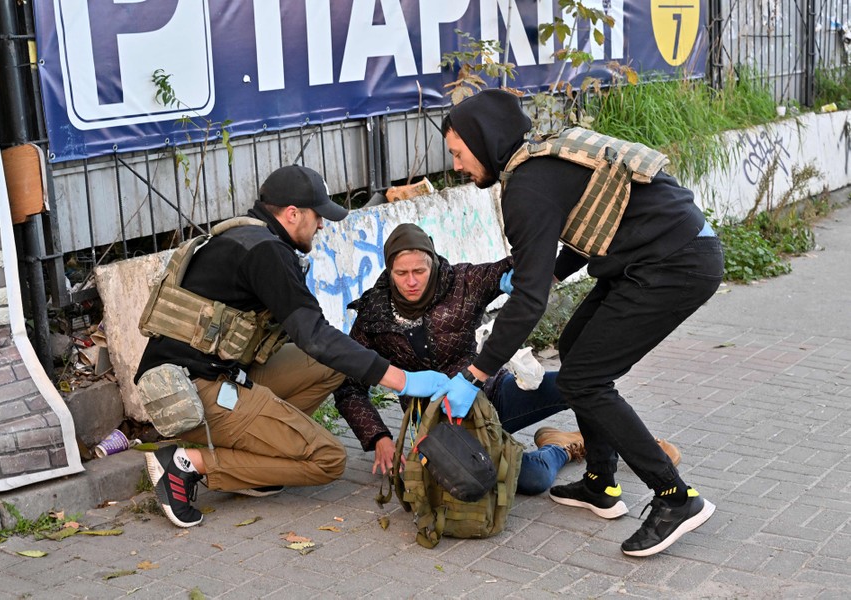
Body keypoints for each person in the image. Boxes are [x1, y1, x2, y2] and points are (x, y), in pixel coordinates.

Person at [439, 89, 723, 557]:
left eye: (457, 152)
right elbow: (599, 219)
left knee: (585, 380)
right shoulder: (542, 162)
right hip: (657, 254)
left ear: (483, 140)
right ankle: (600, 483)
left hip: (674, 263)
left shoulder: (526, 188)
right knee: (574, 352)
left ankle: (675, 498)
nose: (455, 165)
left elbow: (529, 302)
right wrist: (548, 271)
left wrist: (476, 374)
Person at [134, 165, 450, 529]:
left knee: (334, 362)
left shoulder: (245, 236)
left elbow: (320, 343)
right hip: (196, 395)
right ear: (292, 214)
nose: (321, 225)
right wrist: (403, 381)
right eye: (318, 216)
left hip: (211, 375)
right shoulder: (266, 252)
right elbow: (314, 335)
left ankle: (258, 461)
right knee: (328, 459)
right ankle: (187, 463)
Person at [333, 223, 680, 495]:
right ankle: (565, 448)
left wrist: (532, 250)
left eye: (419, 271)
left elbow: (522, 264)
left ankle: (638, 445)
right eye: (401, 273)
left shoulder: (462, 281)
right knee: (533, 479)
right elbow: (349, 386)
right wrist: (378, 436)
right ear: (389, 271)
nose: (411, 282)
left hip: (493, 396)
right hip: (442, 430)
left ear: (433, 263)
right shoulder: (373, 315)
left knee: (576, 383)